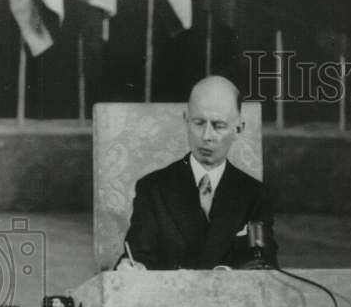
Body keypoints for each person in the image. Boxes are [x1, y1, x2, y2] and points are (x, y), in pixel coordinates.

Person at [116, 75, 277, 270]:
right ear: (186, 120)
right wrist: (131, 267)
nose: (206, 136)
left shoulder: (254, 194)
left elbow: (265, 265)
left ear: (238, 129)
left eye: (218, 126)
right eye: (199, 123)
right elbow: (137, 255)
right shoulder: (153, 188)